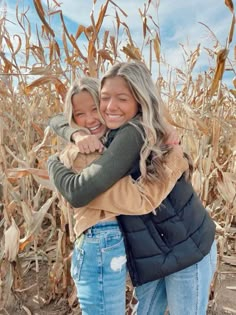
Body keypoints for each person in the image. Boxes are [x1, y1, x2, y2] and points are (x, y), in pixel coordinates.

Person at [48, 61, 216, 315]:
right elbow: (57, 118)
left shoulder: (132, 133)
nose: (108, 108)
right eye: (105, 99)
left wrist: (53, 165)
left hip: (186, 251)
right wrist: (75, 134)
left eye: (122, 99)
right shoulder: (108, 135)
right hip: (151, 255)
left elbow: (78, 193)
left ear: (139, 100)